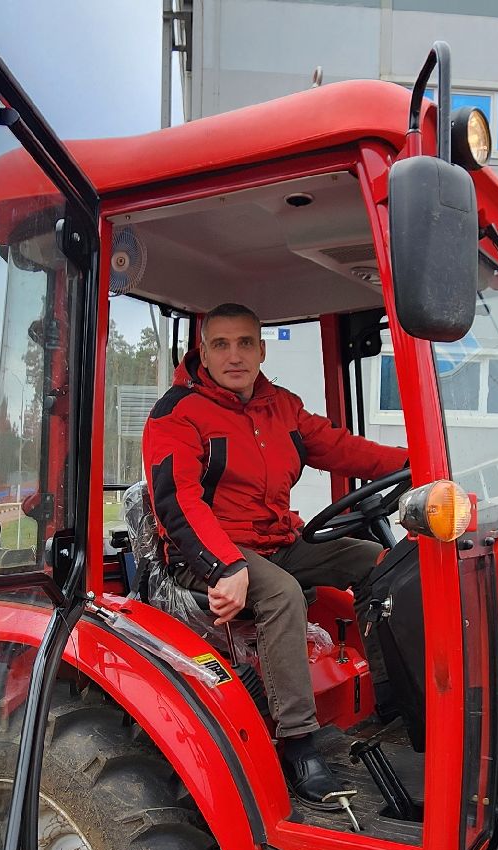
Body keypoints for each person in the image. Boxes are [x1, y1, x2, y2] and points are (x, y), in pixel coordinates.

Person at [142, 302, 407, 809]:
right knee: (283, 594)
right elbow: (178, 501)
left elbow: (341, 447)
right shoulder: (177, 414)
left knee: (375, 560)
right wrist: (226, 566)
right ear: (203, 352)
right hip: (207, 553)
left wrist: (415, 462)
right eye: (221, 344)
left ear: (262, 350)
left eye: (245, 343)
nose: (234, 356)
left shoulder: (281, 407)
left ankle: (393, 695)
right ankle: (299, 746)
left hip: (276, 542)